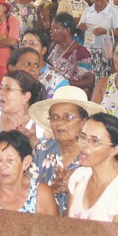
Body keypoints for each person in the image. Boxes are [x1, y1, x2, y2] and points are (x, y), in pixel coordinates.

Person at [28, 85, 106, 215]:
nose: (59, 123)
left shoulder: (97, 154)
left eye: (67, 117)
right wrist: (49, 191)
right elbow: (27, 193)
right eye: (54, 118)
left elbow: (106, 199)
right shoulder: (42, 150)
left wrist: (76, 188)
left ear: (84, 122)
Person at [78, 0, 118, 79]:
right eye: (96, 1)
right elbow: (79, 27)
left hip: (105, 50)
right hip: (88, 48)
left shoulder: (113, 12)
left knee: (103, 77)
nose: (98, 4)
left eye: (101, 1)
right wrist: (81, 27)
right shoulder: (88, 11)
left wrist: (105, 31)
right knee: (88, 75)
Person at [48, 13, 95, 92]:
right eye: (51, 28)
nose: (51, 31)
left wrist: (64, 82)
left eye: (55, 28)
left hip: (72, 96)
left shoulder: (81, 53)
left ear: (67, 31)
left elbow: (90, 81)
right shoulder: (53, 46)